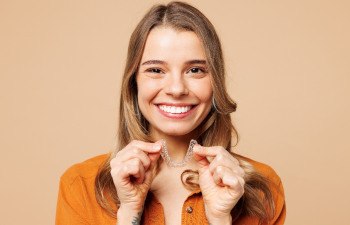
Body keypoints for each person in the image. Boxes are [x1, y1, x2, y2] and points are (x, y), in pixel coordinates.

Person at [55, 1, 286, 225]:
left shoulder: (261, 189)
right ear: (134, 82)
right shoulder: (81, 186)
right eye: (156, 70)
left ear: (215, 81)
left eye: (195, 70)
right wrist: (129, 213)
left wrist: (220, 220)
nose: (176, 89)